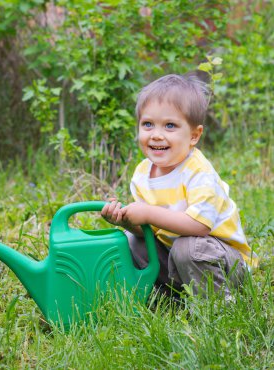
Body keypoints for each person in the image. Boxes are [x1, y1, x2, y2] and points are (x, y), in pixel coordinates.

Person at [101, 73, 257, 299]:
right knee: (132, 239)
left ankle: (218, 304)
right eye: (148, 124)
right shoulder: (143, 173)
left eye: (170, 126)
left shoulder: (198, 171)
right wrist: (128, 221)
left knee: (189, 247)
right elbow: (150, 230)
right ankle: (171, 297)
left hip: (225, 263)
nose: (156, 135)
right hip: (179, 259)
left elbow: (199, 225)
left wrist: (147, 213)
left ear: (194, 135)